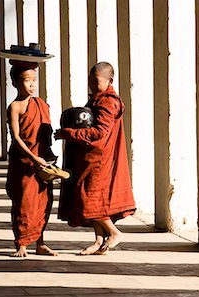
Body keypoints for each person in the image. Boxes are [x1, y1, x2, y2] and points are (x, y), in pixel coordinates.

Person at [55, 62, 136, 255]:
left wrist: (70, 134)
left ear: (110, 81)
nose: (92, 83)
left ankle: (114, 233)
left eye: (96, 80)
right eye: (90, 80)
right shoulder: (97, 99)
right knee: (94, 199)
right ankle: (99, 241)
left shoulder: (109, 102)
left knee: (89, 198)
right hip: (89, 157)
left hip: (101, 159)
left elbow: (99, 133)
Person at [6, 60, 58, 257]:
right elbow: (16, 137)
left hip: (42, 161)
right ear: (15, 83)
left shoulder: (41, 104)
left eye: (34, 80)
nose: (32, 85)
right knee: (24, 202)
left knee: (43, 202)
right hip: (24, 162)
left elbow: (46, 133)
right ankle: (22, 243)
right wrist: (33, 157)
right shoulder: (15, 107)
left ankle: (41, 242)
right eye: (26, 80)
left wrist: (47, 156)